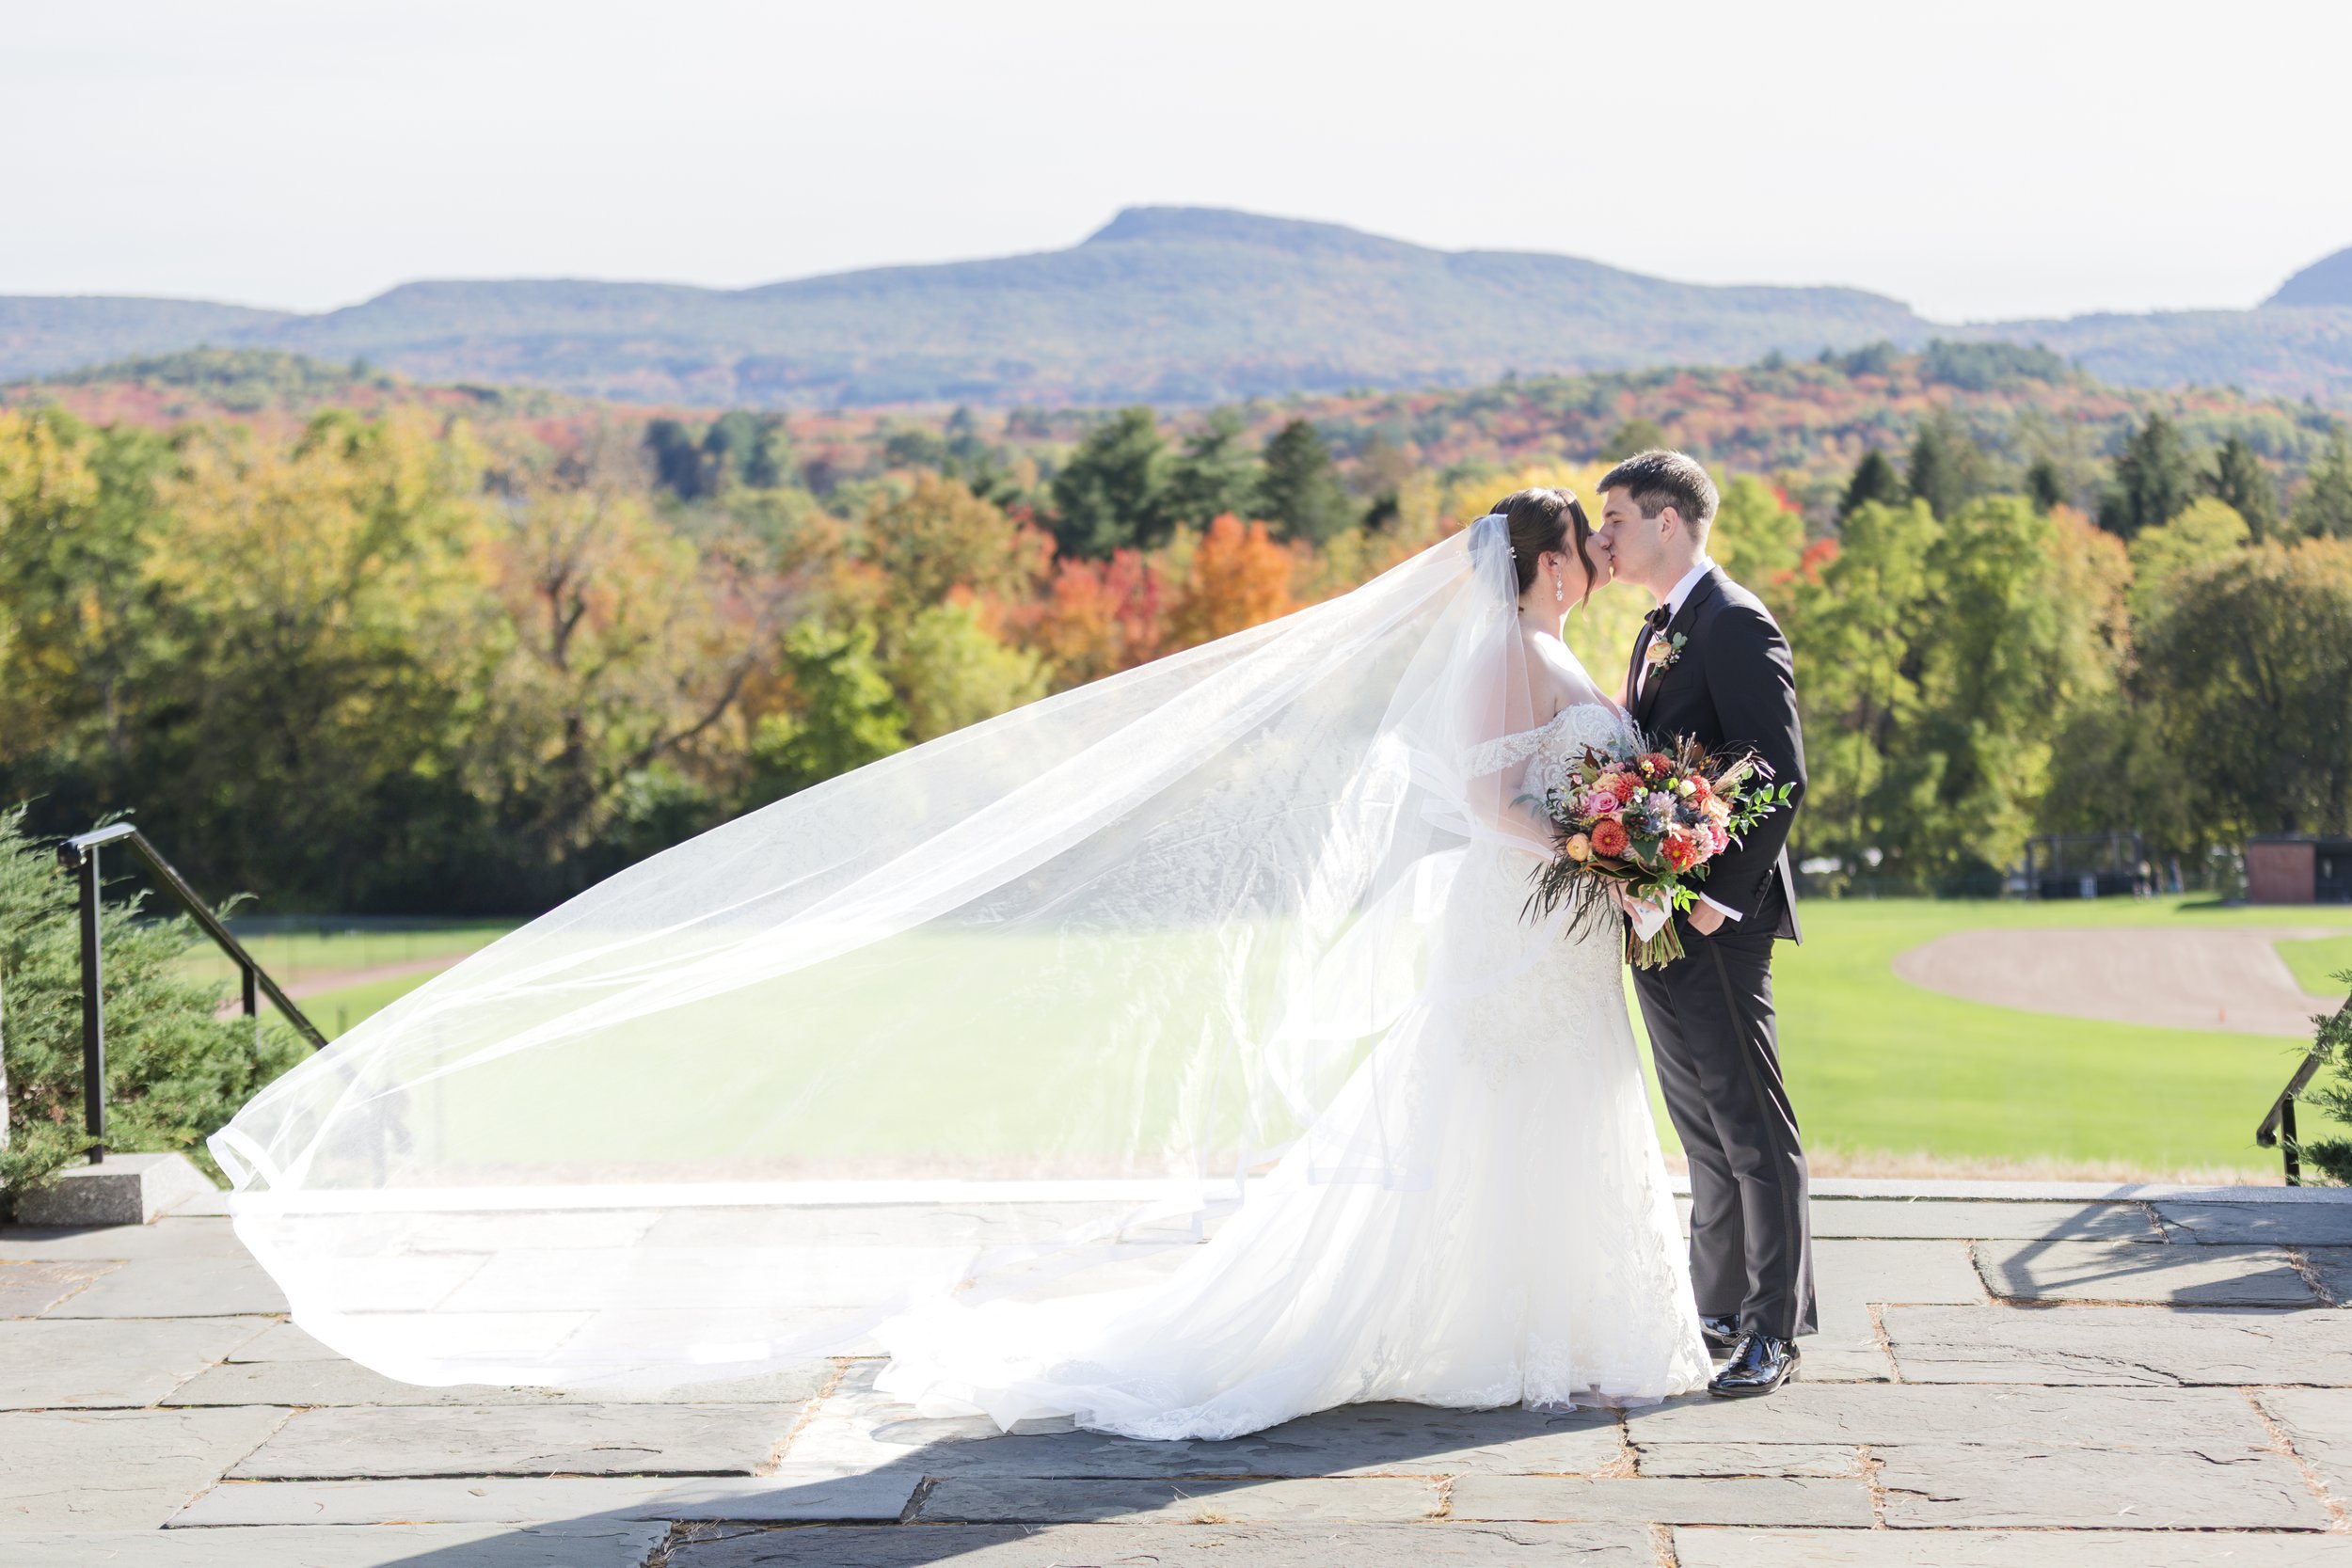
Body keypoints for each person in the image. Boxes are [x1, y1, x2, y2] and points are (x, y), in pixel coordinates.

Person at [211, 492, 1708, 1433]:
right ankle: (1518, 1339)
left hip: (1555, 936)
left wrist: (1624, 848)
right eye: (1578, 546)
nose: (1592, 563)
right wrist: (1601, 849)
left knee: (1549, 1122)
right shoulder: (1500, 654)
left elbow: (1546, 793)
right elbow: (1485, 803)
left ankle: (1556, 1331)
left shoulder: (1558, 652)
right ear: (1537, 558)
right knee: (1493, 1120)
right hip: (1524, 920)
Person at [1594, 450, 1814, 1399]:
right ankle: (1719, 1303)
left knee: (1753, 1122)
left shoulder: (1732, 622)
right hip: (1656, 907)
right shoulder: (1659, 627)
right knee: (1704, 1124)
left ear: (1667, 521)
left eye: (1616, 517)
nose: (1603, 533)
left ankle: (1772, 1329)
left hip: (1715, 914)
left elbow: (1775, 769)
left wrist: (1716, 897)